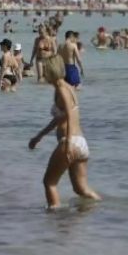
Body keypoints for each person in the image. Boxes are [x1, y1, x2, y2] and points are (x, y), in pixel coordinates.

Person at [27, 55, 101, 209]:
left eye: (46, 70)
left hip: (70, 142)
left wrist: (67, 143)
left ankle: (55, 219)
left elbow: (68, 113)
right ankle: (100, 209)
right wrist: (39, 136)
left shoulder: (61, 89)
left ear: (52, 71)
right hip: (81, 143)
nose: (44, 72)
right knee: (81, 189)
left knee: (49, 183)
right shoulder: (68, 87)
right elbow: (60, 119)